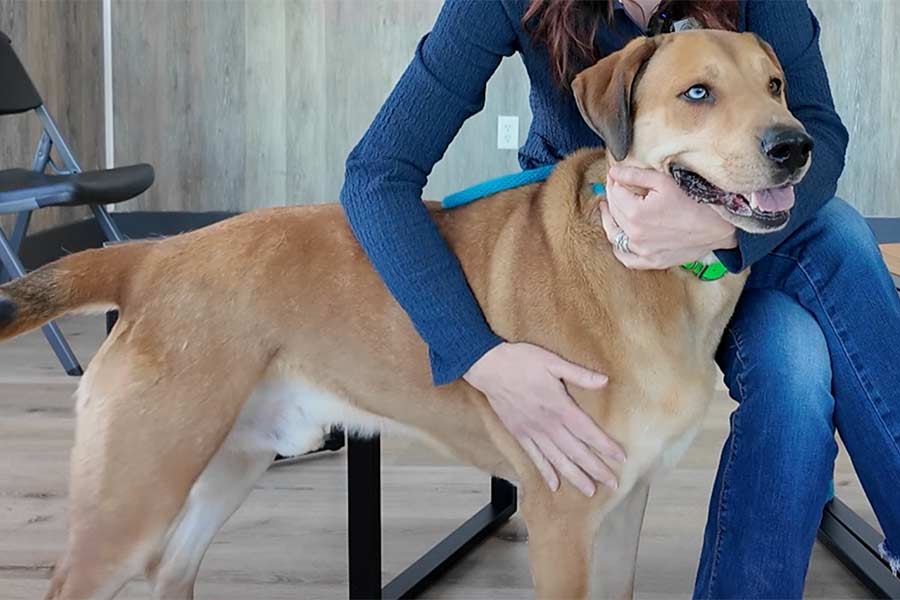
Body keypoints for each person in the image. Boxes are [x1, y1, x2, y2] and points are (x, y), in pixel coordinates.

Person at [339, 0, 900, 596]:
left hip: (738, 232)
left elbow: (818, 128)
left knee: (834, 238)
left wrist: (720, 232)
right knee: (794, 356)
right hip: (593, 247)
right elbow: (376, 175)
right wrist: (478, 355)